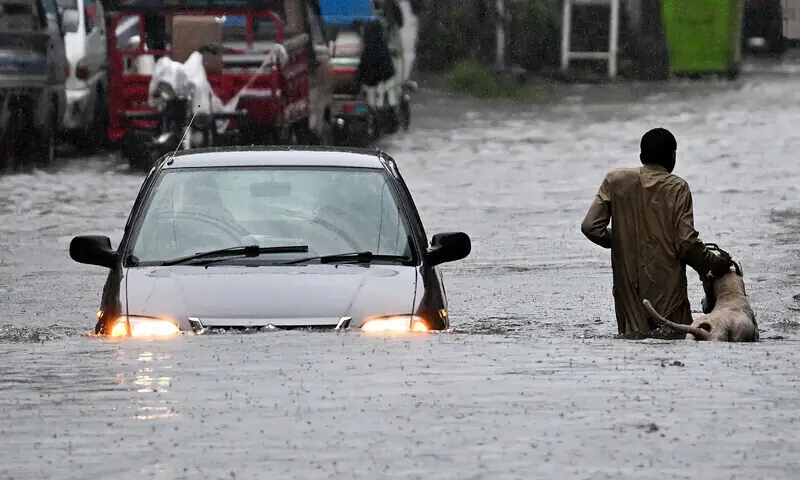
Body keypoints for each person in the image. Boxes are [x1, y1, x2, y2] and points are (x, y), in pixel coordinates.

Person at [581, 128, 733, 337]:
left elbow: (590, 227)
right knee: (675, 341)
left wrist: (622, 241)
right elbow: (687, 244)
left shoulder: (615, 180)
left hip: (629, 299)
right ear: (673, 156)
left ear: (642, 156)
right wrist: (717, 264)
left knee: (633, 344)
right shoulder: (677, 187)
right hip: (669, 300)